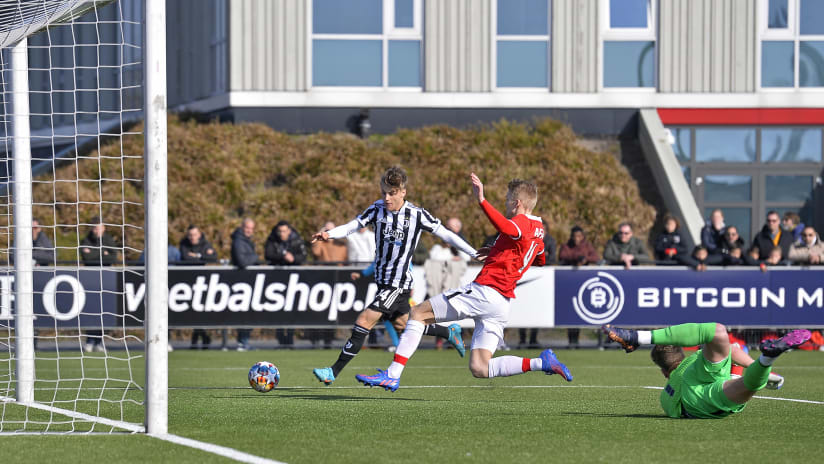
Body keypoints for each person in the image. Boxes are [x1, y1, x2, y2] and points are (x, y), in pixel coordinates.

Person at [355, 173, 572, 391]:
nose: (505, 203)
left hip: (485, 291)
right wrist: (499, 252)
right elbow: (540, 259)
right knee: (480, 367)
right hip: (501, 303)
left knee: (418, 313)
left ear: (517, 203)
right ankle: (541, 362)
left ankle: (392, 375)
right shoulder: (538, 230)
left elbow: (507, 228)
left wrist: (482, 200)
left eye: (507, 199)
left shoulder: (522, 223)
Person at [310, 167, 478, 385]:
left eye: (392, 193)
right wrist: (329, 234)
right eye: (384, 193)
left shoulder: (417, 215)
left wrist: (474, 253)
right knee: (407, 323)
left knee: (364, 320)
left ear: (403, 192)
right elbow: (354, 225)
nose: (387, 198)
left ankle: (333, 371)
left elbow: (446, 234)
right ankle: (449, 333)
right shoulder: (376, 210)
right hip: (383, 282)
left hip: (397, 284)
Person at [602, 323, 811, 419]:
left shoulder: (666, 396)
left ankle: (766, 361)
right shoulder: (695, 358)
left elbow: (672, 409)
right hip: (704, 377)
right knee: (718, 332)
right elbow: (734, 350)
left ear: (664, 373)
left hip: (691, 402)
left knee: (745, 386)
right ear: (682, 351)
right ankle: (638, 337)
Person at [178, 225, 218, 349]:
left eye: (194, 234)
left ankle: (198, 339)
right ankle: (202, 338)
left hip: (202, 282)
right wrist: (201, 256)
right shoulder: (184, 244)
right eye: (190, 235)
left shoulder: (205, 243)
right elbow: (185, 258)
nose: (192, 237)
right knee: (192, 313)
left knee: (199, 312)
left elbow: (213, 257)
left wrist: (197, 256)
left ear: (199, 234)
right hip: (188, 283)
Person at [231, 218, 260, 351]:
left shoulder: (246, 241)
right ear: (242, 227)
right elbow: (242, 261)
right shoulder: (238, 241)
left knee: (249, 314)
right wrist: (255, 257)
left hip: (248, 282)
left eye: (251, 228)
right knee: (243, 314)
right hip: (241, 283)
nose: (249, 230)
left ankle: (244, 341)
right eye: (247, 228)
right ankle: (242, 342)